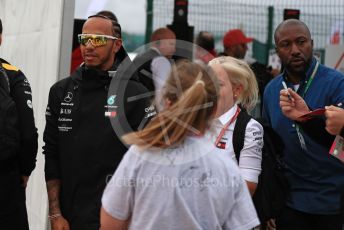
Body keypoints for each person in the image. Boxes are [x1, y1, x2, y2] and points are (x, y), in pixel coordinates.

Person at [100, 61, 260, 230]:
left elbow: (110, 223)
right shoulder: (226, 167)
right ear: (212, 108)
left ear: (167, 102)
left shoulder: (140, 155)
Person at [43, 15, 152, 230]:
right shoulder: (61, 91)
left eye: (99, 39)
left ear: (116, 45)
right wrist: (55, 213)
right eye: (84, 39)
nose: (89, 46)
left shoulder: (135, 93)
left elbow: (149, 159)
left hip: (117, 216)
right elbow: (51, 152)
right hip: (69, 216)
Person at [263, 19, 344, 230]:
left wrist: (310, 120)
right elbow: (270, 150)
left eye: (301, 42)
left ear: (312, 43)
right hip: (290, 202)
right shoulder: (272, 91)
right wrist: (270, 203)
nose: (295, 50)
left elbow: (341, 145)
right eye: (286, 45)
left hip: (333, 201)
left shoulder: (337, 83)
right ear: (277, 50)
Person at [0, 18, 38, 229]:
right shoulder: (12, 74)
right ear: (0, 38)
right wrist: (24, 170)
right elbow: (28, 133)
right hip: (6, 180)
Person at [208, 56, 263, 195]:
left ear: (237, 90)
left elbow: (249, 186)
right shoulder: (194, 120)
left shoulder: (249, 128)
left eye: (218, 84)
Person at [219, 29, 277, 117]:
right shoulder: (225, 67)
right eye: (243, 45)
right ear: (232, 47)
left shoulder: (218, 63)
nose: (247, 48)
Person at [133, 27, 176, 110]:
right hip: (150, 114)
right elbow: (163, 92)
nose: (174, 49)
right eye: (171, 44)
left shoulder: (138, 57)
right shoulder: (161, 61)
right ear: (158, 42)